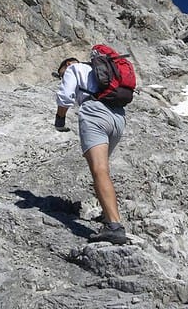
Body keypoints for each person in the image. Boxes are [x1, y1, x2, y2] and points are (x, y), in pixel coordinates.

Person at [54, 56, 128, 245]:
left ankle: (114, 226)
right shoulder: (101, 72)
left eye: (61, 73)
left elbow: (65, 96)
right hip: (118, 117)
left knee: (99, 169)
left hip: (94, 113)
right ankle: (107, 213)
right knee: (103, 169)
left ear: (68, 64)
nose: (62, 77)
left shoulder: (74, 69)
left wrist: (60, 118)